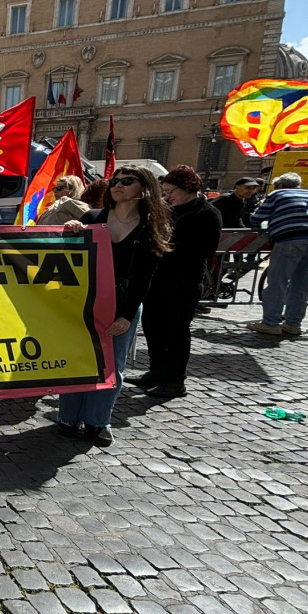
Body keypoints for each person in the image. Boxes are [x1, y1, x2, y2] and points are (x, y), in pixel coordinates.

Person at [58, 166, 170, 446]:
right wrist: (70, 233)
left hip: (124, 296)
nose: (118, 185)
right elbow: (66, 258)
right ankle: (68, 415)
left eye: (127, 181)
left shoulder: (152, 226)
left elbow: (145, 278)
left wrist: (127, 315)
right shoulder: (93, 217)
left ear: (144, 188)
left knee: (112, 364)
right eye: (115, 181)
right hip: (87, 295)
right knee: (78, 357)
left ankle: (98, 421)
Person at [129, 166, 221, 399]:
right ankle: (156, 371)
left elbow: (203, 250)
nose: (167, 196)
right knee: (152, 327)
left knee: (176, 333)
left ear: (188, 188)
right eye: (164, 191)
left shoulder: (207, 213)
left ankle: (175, 380)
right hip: (156, 280)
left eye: (171, 191)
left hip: (183, 282)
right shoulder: (168, 209)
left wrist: (165, 246)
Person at [245, 172, 308, 337]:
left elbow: (256, 218)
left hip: (289, 241)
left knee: (278, 282)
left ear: (280, 186)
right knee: (301, 284)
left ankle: (271, 323)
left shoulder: (277, 194)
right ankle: (293, 324)